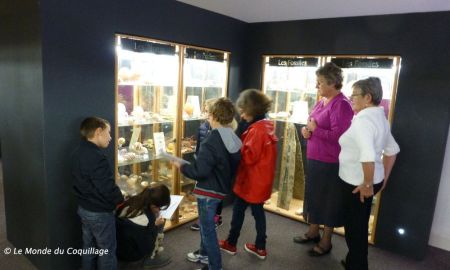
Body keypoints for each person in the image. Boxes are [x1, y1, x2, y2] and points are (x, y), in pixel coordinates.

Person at [173, 97, 242, 270]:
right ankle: (204, 254)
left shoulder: (211, 140)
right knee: (207, 226)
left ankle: (214, 265)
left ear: (213, 116)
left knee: (207, 230)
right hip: (220, 188)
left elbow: (199, 172)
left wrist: (182, 165)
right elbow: (233, 164)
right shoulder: (231, 136)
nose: (207, 117)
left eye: (208, 114)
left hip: (208, 191)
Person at [293, 62, 354, 257]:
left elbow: (340, 135)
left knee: (329, 201)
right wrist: (306, 131)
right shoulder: (322, 101)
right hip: (315, 157)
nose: (316, 86)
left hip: (330, 161)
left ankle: (326, 241)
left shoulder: (342, 105)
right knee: (315, 196)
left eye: (319, 83)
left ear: (332, 83)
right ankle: (313, 231)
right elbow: (312, 124)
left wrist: (314, 130)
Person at [339, 77, 399, 270]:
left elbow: (368, 156)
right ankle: (353, 261)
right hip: (369, 182)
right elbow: (392, 150)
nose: (350, 98)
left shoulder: (363, 121)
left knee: (354, 231)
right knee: (359, 226)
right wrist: (383, 180)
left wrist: (367, 184)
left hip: (357, 185)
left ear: (368, 97)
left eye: (354, 95)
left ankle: (357, 265)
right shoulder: (379, 117)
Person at [219, 89, 278, 260]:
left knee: (239, 211)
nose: (242, 116)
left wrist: (233, 149)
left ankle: (231, 243)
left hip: (251, 180)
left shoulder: (257, 131)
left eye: (244, 112)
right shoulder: (266, 125)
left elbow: (248, 157)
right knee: (257, 212)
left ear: (253, 110)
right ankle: (260, 246)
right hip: (260, 180)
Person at [72, 116, 124, 270]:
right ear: (98, 131)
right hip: (99, 213)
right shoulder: (97, 157)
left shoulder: (77, 151)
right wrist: (121, 200)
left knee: (88, 249)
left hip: (84, 208)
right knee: (106, 253)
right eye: (108, 132)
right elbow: (106, 187)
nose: (110, 137)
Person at [116, 184, 171, 268]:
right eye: (159, 208)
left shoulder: (132, 200)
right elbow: (146, 246)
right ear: (153, 205)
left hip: (117, 245)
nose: (159, 210)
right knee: (160, 224)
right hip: (130, 255)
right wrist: (154, 226)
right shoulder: (145, 219)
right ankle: (147, 259)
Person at [190, 98, 224, 231]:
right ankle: (204, 217)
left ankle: (216, 217)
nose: (206, 113)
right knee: (204, 192)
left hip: (217, 167)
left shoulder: (223, 129)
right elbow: (199, 147)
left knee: (216, 192)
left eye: (208, 111)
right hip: (204, 165)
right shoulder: (203, 127)